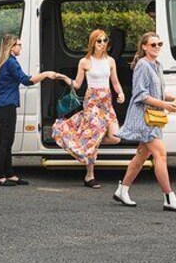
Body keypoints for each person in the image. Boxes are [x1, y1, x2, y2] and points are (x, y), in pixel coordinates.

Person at [113, 32, 176, 211]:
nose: (157, 47)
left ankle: (122, 190)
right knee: (161, 154)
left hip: (153, 117)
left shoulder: (157, 65)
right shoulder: (142, 65)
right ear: (144, 47)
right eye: (153, 44)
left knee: (141, 155)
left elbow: (158, 92)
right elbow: (141, 95)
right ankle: (169, 198)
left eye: (159, 44)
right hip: (144, 118)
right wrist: (165, 104)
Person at [52, 29, 125, 188]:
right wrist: (63, 77)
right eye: (99, 41)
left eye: (105, 40)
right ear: (93, 43)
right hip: (91, 103)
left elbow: (115, 82)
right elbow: (77, 84)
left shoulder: (110, 61)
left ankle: (83, 143)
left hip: (106, 102)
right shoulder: (85, 62)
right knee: (94, 137)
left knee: (115, 137)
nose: (103, 44)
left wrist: (121, 93)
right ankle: (89, 175)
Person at [0, 33, 61, 187]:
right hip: (6, 106)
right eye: (19, 45)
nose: (21, 47)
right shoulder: (11, 63)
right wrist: (45, 74)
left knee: (8, 141)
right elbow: (26, 80)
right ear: (11, 47)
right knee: (5, 141)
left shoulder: (4, 62)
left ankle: (9, 174)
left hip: (3, 105)